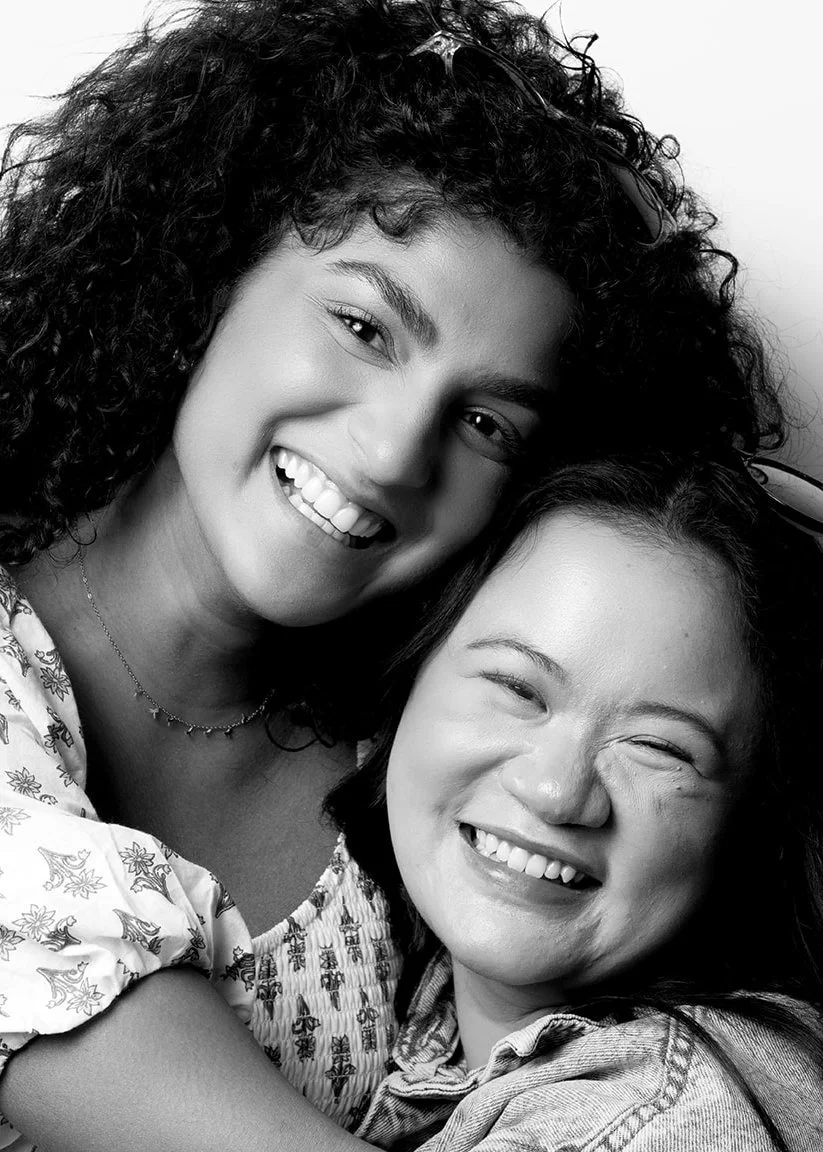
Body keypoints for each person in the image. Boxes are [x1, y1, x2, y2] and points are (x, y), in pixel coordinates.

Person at [0, 0, 785, 1148]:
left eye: (484, 422)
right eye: (365, 328)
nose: (388, 454)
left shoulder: (438, 750)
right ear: (212, 266)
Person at [331, 451, 823, 1151]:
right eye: (517, 689)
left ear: (749, 823)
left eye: (658, 747)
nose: (556, 792)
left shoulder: (663, 1117)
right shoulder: (410, 999)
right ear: (410, 672)